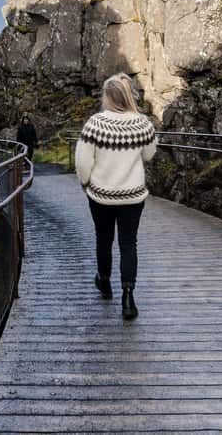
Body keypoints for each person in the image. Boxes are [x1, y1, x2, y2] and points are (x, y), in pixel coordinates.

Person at [75, 73, 157, 320]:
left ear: (108, 96)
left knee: (104, 238)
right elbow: (149, 154)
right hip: (133, 195)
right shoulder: (143, 123)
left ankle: (104, 281)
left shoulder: (95, 124)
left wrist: (85, 183)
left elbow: (83, 162)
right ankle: (128, 297)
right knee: (128, 243)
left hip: (101, 195)